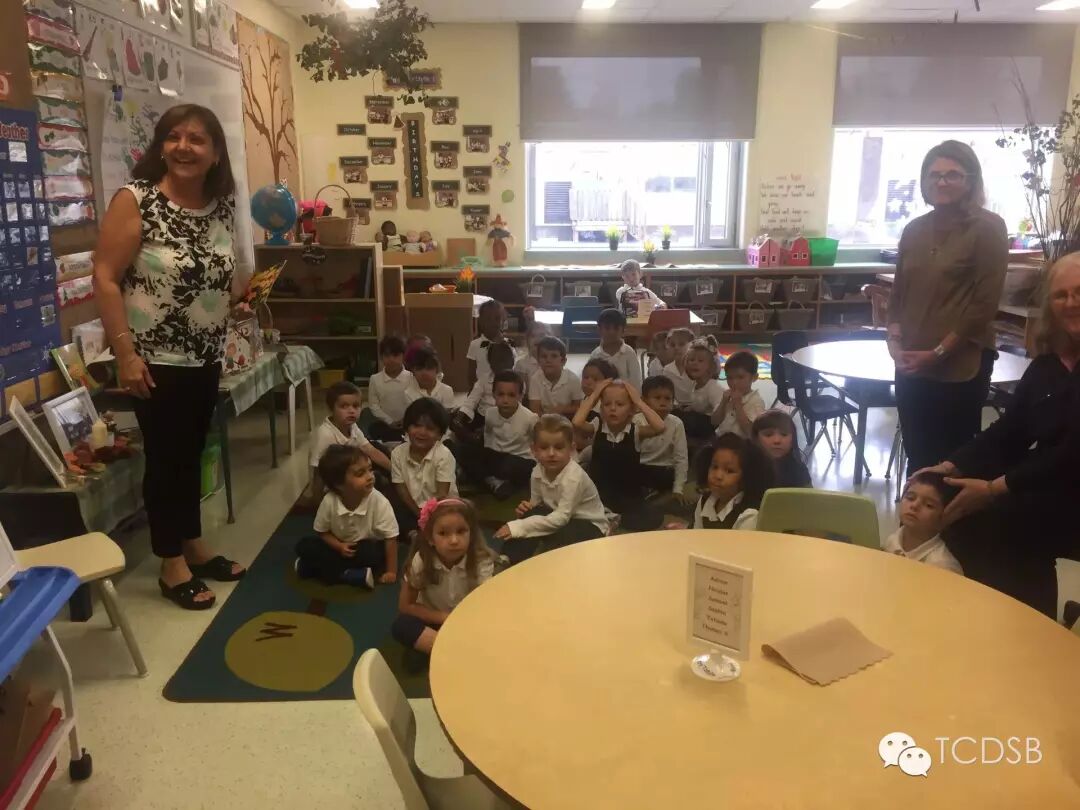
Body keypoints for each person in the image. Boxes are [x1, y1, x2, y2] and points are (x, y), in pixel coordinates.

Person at [92, 103, 245, 609]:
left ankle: (193, 543)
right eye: (174, 137)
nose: (184, 147)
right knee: (165, 459)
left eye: (197, 139)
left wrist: (237, 301)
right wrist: (125, 354)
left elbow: (218, 275)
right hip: (153, 360)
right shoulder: (137, 200)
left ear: (215, 153)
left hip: (206, 356)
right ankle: (170, 561)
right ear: (160, 146)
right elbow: (105, 278)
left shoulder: (221, 206)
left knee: (192, 451)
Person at [918, 252, 1080, 617]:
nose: (1071, 303)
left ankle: (1027, 627)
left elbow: (1071, 453)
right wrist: (950, 466)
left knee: (1003, 525)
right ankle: (975, 618)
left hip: (1071, 491)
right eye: (1061, 295)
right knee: (948, 506)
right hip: (1046, 484)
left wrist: (994, 489)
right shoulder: (1047, 366)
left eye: (1079, 292)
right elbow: (1009, 431)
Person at [888, 140, 1009, 475]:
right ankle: (914, 510)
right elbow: (898, 292)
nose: (941, 182)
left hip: (960, 367)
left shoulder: (987, 228)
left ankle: (947, 513)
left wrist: (939, 352)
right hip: (911, 364)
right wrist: (894, 341)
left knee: (951, 462)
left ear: (970, 180)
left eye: (952, 174)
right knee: (917, 454)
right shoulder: (914, 230)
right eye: (934, 175)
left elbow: (983, 304)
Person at [495, 415, 609, 565]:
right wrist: (526, 510)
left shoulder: (573, 477)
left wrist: (520, 525)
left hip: (589, 526)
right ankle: (508, 559)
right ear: (534, 450)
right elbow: (537, 506)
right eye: (544, 448)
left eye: (559, 447)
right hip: (560, 518)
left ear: (571, 449)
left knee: (555, 537)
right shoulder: (537, 472)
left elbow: (562, 517)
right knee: (530, 517)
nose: (551, 453)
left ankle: (548, 567)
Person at [392, 498, 494, 656]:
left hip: (469, 620)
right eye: (443, 533)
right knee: (403, 625)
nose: (454, 540)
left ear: (471, 533)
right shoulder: (421, 561)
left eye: (461, 531)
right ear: (430, 538)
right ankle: (458, 651)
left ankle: (450, 649)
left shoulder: (481, 559)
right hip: (435, 620)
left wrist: (467, 623)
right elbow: (406, 606)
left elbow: (485, 604)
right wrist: (445, 618)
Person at [295, 446, 399, 587]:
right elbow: (322, 531)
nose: (370, 476)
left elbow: (391, 538)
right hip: (338, 545)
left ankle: (311, 568)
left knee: (372, 554)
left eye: (370, 469)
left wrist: (391, 572)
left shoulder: (379, 501)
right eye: (360, 473)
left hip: (363, 546)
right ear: (339, 484)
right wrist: (339, 546)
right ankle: (348, 575)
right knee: (304, 545)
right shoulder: (329, 501)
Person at [573, 378, 666, 531]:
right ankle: (608, 516)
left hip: (628, 496)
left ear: (631, 409)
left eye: (620, 404)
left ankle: (614, 518)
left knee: (652, 517)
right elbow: (577, 422)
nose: (612, 409)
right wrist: (595, 395)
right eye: (607, 404)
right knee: (579, 516)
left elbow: (660, 427)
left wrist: (639, 401)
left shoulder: (635, 430)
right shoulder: (597, 426)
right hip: (600, 494)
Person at [456, 370, 538, 499]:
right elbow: (488, 439)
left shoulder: (530, 418)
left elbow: (537, 446)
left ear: (520, 396)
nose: (505, 400)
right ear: (494, 395)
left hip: (518, 460)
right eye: (501, 394)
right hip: (496, 457)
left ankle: (486, 479)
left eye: (511, 395)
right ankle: (494, 481)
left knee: (517, 467)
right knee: (463, 450)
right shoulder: (490, 413)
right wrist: (485, 458)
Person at [309, 381, 391, 497]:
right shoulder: (325, 434)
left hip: (351, 469)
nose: (351, 411)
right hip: (336, 484)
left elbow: (371, 450)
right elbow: (318, 472)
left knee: (379, 449)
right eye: (344, 406)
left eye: (356, 406)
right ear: (331, 409)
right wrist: (317, 499)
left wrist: (395, 471)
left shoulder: (352, 426)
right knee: (375, 479)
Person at [390, 398, 458, 537]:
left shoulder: (444, 455)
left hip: (441, 508)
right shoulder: (397, 453)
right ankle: (413, 534)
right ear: (407, 427)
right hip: (413, 508)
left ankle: (418, 533)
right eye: (416, 426)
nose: (422, 432)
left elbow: (442, 494)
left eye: (430, 428)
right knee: (390, 505)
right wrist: (419, 514)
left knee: (451, 519)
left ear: (440, 435)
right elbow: (402, 491)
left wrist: (427, 517)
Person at [881, 473, 963, 574]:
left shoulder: (943, 565)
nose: (914, 505)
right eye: (910, 498)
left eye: (929, 505)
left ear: (945, 515)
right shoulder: (892, 540)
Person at [692, 433, 774, 530]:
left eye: (729, 471)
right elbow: (697, 534)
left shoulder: (748, 515)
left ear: (747, 477)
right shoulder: (704, 500)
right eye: (714, 467)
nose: (718, 476)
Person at [637, 375, 689, 498]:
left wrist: (678, 488)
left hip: (662, 468)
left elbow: (681, 457)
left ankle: (651, 490)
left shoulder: (676, 423)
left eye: (667, 398)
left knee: (666, 475)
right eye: (657, 398)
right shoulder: (636, 421)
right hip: (640, 466)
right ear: (644, 401)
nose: (663, 402)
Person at [454, 340, 515, 438]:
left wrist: (487, 428)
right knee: (455, 418)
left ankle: (475, 439)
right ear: (490, 363)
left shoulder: (517, 382)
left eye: (504, 360)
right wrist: (459, 418)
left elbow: (514, 408)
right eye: (496, 360)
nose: (501, 364)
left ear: (512, 362)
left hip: (505, 419)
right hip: (482, 417)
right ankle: (473, 438)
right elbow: (471, 401)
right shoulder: (484, 379)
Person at [364, 335, 413, 442]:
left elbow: (416, 402)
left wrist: (406, 419)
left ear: (403, 356)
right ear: (381, 357)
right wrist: (389, 421)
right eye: (387, 355)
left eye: (395, 355)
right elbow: (374, 405)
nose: (391, 359)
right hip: (385, 424)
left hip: (409, 424)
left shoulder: (412, 377)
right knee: (374, 430)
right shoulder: (375, 379)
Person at [713, 351, 767, 439]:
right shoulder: (727, 396)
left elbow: (751, 432)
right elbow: (714, 422)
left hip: (742, 444)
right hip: (721, 439)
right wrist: (723, 402)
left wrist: (738, 405)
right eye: (729, 377)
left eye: (740, 377)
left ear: (754, 377)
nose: (734, 382)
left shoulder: (756, 401)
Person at [678, 338, 724, 440]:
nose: (695, 363)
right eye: (691, 360)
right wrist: (690, 408)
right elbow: (699, 405)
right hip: (700, 422)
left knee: (688, 419)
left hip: (713, 426)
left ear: (711, 366)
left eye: (700, 361)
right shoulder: (696, 384)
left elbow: (720, 412)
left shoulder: (713, 387)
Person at [752, 410, 811, 488]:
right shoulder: (746, 468)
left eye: (784, 434)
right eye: (768, 435)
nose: (777, 440)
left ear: (793, 439)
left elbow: (809, 494)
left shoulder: (799, 469)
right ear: (756, 439)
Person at [574, 357, 619, 455]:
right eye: (585, 377)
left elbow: (588, 430)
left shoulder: (606, 406)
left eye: (595, 379)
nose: (588, 382)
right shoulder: (585, 400)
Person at [528, 336, 583, 417]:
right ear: (538, 361)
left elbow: (579, 407)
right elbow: (535, 410)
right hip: (543, 419)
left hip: (568, 419)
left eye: (554, 356)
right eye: (544, 356)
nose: (548, 360)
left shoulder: (573, 379)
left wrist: (563, 409)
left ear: (563, 361)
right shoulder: (535, 379)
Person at [590, 308, 642, 389]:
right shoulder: (595, 355)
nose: (612, 332)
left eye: (616, 328)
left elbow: (636, 381)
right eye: (607, 328)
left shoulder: (629, 353)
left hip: (626, 394)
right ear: (599, 330)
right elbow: (591, 382)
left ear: (623, 330)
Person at [467, 299, 507, 389]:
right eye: (488, 319)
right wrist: (474, 391)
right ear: (481, 321)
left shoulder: (508, 344)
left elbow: (510, 371)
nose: (493, 322)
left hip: (502, 391)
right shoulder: (475, 345)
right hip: (480, 391)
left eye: (497, 318)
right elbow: (471, 374)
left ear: (503, 321)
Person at [514, 321, 551, 401]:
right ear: (527, 340)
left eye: (541, 335)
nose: (537, 339)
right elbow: (522, 392)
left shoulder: (553, 362)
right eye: (533, 336)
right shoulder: (522, 364)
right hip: (530, 401)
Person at [663, 327, 696, 407]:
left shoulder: (697, 368)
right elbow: (668, 393)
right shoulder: (667, 370)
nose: (676, 348)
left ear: (692, 345)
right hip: (676, 408)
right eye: (672, 345)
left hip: (697, 407)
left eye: (681, 344)